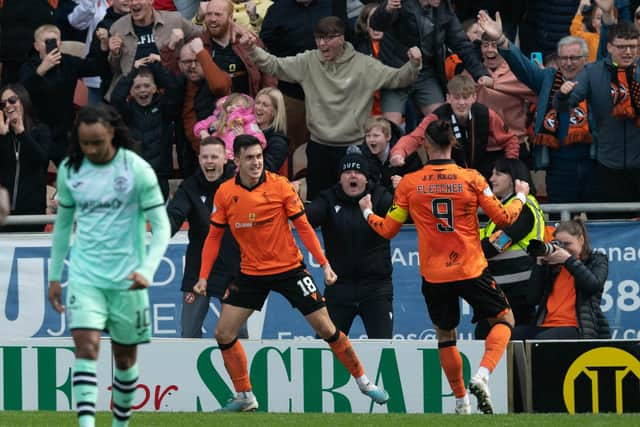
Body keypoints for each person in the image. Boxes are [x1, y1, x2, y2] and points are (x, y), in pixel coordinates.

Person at [194, 134, 389, 411]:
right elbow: (213, 237)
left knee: (326, 328)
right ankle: (245, 395)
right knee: (223, 333)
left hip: (289, 269)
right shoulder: (225, 193)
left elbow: (304, 228)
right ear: (235, 161)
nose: (256, 162)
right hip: (251, 272)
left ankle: (364, 382)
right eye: (249, 158)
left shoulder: (280, 186)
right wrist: (203, 276)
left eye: (259, 156)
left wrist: (324, 264)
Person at [359, 120, 530, 414]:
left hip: (435, 274)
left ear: (425, 145)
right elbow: (503, 218)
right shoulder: (471, 178)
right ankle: (483, 374)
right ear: (453, 143)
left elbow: (388, 230)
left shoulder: (411, 183)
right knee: (505, 319)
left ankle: (461, 401)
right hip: (470, 268)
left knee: (445, 335)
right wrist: (522, 197)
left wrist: (367, 212)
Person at [47, 104, 171, 427]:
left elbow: (161, 227)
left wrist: (148, 269)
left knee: (125, 358)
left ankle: (120, 422)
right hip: (86, 275)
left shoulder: (137, 170)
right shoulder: (70, 170)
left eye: (97, 143)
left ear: (112, 134)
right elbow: (63, 226)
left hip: (128, 279)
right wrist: (54, 275)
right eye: (85, 143)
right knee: (86, 348)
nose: (91, 150)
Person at [245, 15, 422, 200]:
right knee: (319, 200)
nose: (322, 44)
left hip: (354, 147)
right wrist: (251, 48)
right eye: (319, 38)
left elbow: (398, 78)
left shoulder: (364, 65)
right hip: (319, 146)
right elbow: (274, 65)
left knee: (356, 203)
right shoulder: (308, 61)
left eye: (328, 38)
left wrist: (414, 64)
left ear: (341, 38)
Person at [477, 11, 596, 203]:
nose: (568, 63)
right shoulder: (548, 78)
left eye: (574, 58)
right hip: (559, 165)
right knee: (559, 221)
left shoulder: (596, 77)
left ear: (586, 58)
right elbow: (523, 67)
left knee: (602, 222)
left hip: (593, 162)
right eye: (563, 58)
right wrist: (500, 40)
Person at [305, 150, 395, 338]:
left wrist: (403, 190)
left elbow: (407, 214)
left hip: (376, 288)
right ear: (340, 179)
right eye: (347, 172)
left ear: (366, 178)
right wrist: (291, 197)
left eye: (358, 172)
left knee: (383, 347)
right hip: (339, 287)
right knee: (326, 346)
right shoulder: (329, 198)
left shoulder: (379, 196)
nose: (352, 175)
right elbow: (306, 218)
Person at [554, 22, 640, 204]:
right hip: (608, 165)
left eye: (633, 46)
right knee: (612, 224)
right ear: (609, 47)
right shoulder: (593, 72)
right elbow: (565, 104)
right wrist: (563, 94)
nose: (628, 52)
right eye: (622, 47)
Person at [167, 136, 244, 338]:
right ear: (199, 159)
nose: (209, 161)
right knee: (189, 334)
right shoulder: (190, 186)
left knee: (238, 336)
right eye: (204, 157)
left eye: (214, 156)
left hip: (232, 270)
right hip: (198, 268)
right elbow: (175, 215)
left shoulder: (239, 185)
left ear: (225, 158)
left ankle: (242, 371)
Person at [369, 0, 491, 125]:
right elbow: (376, 24)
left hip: (425, 73)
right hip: (396, 73)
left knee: (442, 122)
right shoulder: (402, 3)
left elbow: (461, 44)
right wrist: (387, 9)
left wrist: (481, 73)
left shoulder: (444, 9)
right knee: (391, 126)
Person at [390, 74, 520, 181]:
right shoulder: (436, 116)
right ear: (448, 98)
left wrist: (509, 166)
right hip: (447, 175)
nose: (461, 103)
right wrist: (398, 153)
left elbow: (510, 140)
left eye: (465, 97)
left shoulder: (486, 114)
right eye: (456, 98)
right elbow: (414, 137)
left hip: (480, 173)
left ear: (474, 97)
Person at [20, 24, 110, 166]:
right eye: (46, 42)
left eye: (54, 41)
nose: (51, 45)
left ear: (60, 43)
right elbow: (23, 91)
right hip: (37, 132)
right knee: (37, 176)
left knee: (70, 174)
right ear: (37, 46)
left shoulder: (69, 62)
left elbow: (97, 68)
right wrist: (41, 70)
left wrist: (104, 47)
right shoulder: (28, 66)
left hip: (63, 132)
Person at [475, 158, 545, 339]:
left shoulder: (524, 207)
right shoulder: (505, 208)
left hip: (517, 296)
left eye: (498, 174)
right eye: (492, 173)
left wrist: (470, 249)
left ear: (515, 178)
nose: (492, 179)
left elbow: (496, 244)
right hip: (500, 293)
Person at [512, 218, 610, 340]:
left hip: (577, 327)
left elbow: (593, 285)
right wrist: (539, 266)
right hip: (547, 325)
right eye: (559, 244)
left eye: (567, 244)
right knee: (510, 336)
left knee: (543, 341)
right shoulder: (552, 266)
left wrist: (568, 260)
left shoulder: (596, 260)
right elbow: (532, 299)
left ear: (581, 240)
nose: (563, 249)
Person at [111, 57, 181, 200]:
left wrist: (157, 66)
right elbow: (116, 97)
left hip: (159, 174)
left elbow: (174, 88)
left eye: (147, 86)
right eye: (137, 87)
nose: (143, 90)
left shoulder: (164, 108)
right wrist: (132, 72)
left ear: (155, 88)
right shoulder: (127, 111)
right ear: (131, 91)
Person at [106, 0, 202, 99]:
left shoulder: (174, 20)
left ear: (151, 1)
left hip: (170, 95)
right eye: (130, 0)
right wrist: (115, 53)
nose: (134, 3)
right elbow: (116, 70)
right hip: (133, 99)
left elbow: (203, 35)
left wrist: (199, 18)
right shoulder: (118, 27)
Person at [176, 36, 232, 176]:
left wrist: (201, 52)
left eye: (197, 61)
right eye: (188, 62)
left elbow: (220, 86)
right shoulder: (179, 84)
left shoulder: (217, 77)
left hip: (218, 157)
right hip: (190, 156)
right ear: (180, 64)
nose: (193, 66)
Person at [0, 83, 52, 232]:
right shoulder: (3, 134)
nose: (7, 105)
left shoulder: (41, 130)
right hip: (4, 214)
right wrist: (2, 138)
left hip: (32, 214)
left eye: (12, 100)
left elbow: (41, 160)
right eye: (3, 103)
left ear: (23, 100)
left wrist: (22, 134)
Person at [359, 116, 422, 193]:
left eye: (376, 135)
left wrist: (404, 182)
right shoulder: (362, 154)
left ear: (388, 137)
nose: (371, 139)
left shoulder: (408, 154)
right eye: (368, 136)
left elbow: (419, 182)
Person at [193, 92, 266, 158]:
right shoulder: (218, 118)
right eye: (230, 104)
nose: (233, 107)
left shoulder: (248, 123)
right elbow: (199, 125)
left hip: (234, 162)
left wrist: (243, 137)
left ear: (246, 110)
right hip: (214, 157)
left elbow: (260, 142)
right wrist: (203, 133)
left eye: (237, 106)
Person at [254, 86, 288, 173]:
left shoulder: (278, 143)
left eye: (265, 105)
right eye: (257, 103)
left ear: (274, 112)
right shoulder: (247, 128)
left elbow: (261, 172)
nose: (259, 108)